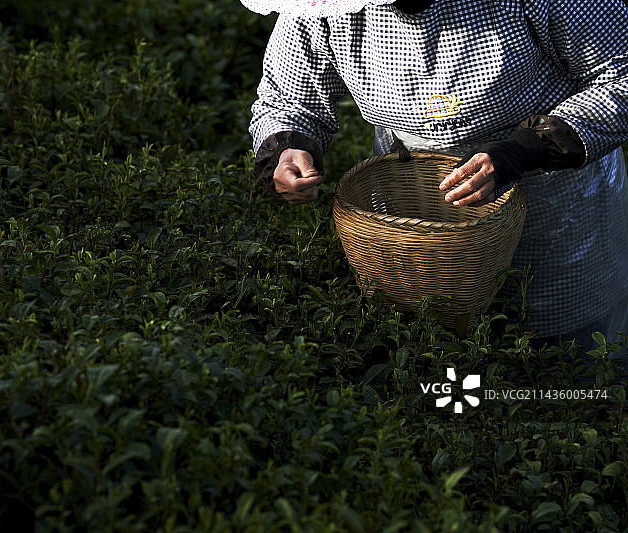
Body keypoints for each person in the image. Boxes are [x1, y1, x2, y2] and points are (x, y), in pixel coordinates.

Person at [243, 0, 628, 351]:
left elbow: (621, 78)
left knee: (559, 361)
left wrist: (524, 149)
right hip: (414, 212)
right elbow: (289, 99)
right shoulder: (326, 9)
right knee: (432, 350)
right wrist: (288, 150)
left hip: (556, 206)